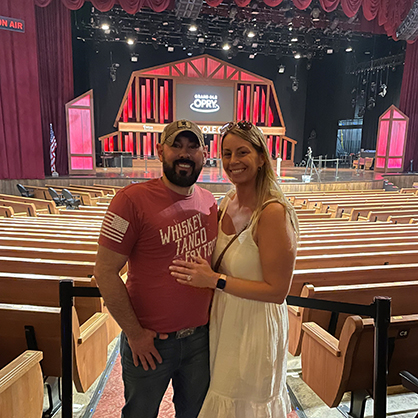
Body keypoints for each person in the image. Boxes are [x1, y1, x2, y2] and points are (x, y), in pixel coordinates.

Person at [169, 120, 299, 418]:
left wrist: (216, 281)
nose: (233, 161)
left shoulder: (273, 212)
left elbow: (278, 292)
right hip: (225, 321)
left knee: (246, 403)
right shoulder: (227, 201)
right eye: (226, 154)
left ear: (261, 156)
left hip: (255, 325)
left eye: (242, 152)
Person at [94, 120, 218, 418]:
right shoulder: (129, 200)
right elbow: (104, 271)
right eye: (176, 145)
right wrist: (134, 334)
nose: (184, 154)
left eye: (192, 147)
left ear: (204, 154)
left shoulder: (211, 202)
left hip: (200, 341)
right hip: (150, 344)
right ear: (160, 150)